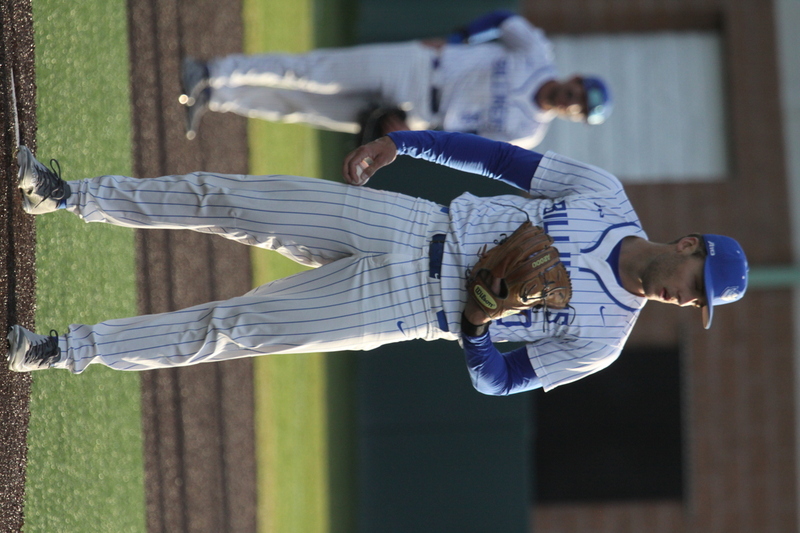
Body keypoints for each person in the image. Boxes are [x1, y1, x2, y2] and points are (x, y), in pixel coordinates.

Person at [6, 131, 747, 395]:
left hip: (405, 308)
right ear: (689, 246)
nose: (688, 299)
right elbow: (500, 159)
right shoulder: (604, 196)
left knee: (227, 328)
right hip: (412, 220)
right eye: (698, 284)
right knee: (227, 197)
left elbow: (498, 380)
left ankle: (57, 350)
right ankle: (67, 195)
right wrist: (405, 143)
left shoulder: (604, 340)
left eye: (699, 303)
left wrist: (476, 327)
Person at [180, 10, 612, 147]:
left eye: (579, 109)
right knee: (310, 71)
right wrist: (456, 39)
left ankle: (215, 96)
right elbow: (503, 20)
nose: (572, 101)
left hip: (420, 114)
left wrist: (410, 137)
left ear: (573, 117)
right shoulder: (537, 55)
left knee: (301, 108)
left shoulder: (527, 132)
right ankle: (213, 70)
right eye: (580, 93)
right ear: (575, 79)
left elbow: (467, 145)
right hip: (418, 67)